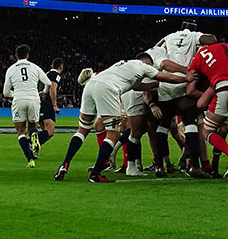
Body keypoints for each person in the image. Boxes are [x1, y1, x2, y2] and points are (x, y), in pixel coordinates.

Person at [53, 54, 189, 183]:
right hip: (108, 89)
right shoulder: (144, 66)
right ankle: (95, 174)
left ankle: (64, 165)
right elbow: (166, 77)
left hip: (91, 85)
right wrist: (186, 78)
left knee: (82, 130)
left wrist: (150, 86)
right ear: (147, 63)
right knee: (113, 135)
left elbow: (134, 86)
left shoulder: (122, 64)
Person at [147, 23, 216, 177]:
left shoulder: (169, 36)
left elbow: (156, 48)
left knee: (164, 124)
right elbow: (212, 39)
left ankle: (159, 166)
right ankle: (195, 166)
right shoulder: (192, 35)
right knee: (190, 123)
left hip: (165, 83)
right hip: (183, 81)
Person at [186, 40, 228, 178]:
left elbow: (190, 91)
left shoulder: (196, 59)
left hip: (223, 88)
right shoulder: (222, 45)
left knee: (207, 131)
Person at [3, 45, 51, 168]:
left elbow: (6, 92)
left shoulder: (11, 69)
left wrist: (16, 94)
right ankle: (34, 137)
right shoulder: (35, 67)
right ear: (27, 55)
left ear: (16, 56)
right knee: (32, 128)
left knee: (20, 132)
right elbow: (48, 83)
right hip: (34, 98)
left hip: (19, 99)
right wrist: (44, 92)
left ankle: (30, 159)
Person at [33, 58, 64, 156]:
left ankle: (33, 148)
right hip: (47, 104)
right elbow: (53, 87)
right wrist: (55, 105)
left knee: (46, 133)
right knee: (50, 131)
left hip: (39, 104)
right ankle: (30, 141)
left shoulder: (45, 74)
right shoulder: (56, 75)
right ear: (61, 66)